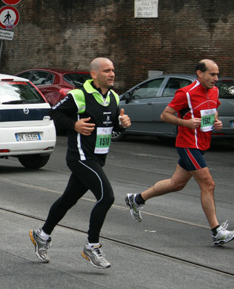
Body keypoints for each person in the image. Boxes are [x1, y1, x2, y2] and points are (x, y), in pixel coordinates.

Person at [29, 57, 131, 269]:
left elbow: (112, 129)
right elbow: (53, 113)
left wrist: (122, 125)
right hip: (81, 158)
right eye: (106, 71)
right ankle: (92, 246)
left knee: (68, 199)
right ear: (94, 74)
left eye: (113, 70)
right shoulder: (79, 95)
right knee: (106, 197)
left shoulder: (113, 97)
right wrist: (73, 124)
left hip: (98, 158)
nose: (112, 74)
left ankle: (42, 234)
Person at [125, 59, 234, 246]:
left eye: (217, 74)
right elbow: (165, 115)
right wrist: (185, 123)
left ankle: (136, 199)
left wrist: (216, 122)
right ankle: (217, 231)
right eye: (212, 74)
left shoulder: (214, 91)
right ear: (200, 74)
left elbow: (213, 112)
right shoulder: (186, 93)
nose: (216, 78)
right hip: (187, 144)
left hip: (202, 144)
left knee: (176, 184)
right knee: (208, 184)